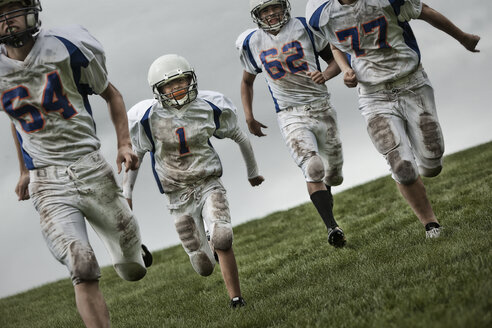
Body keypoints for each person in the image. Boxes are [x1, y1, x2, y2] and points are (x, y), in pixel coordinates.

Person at [0, 1, 152, 327]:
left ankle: (129, 249)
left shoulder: (66, 48)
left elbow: (111, 94)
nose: (7, 21)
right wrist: (25, 171)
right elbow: (19, 118)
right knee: (81, 266)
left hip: (90, 166)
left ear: (30, 9)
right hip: (47, 181)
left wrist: (124, 143)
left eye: (12, 10)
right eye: (0, 13)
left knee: (132, 268)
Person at [305, 0, 481, 238]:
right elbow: (336, 43)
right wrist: (346, 69)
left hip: (412, 82)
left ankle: (420, 165)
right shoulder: (320, 13)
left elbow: (424, 11)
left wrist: (463, 38)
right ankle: (431, 224)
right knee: (401, 165)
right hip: (373, 94)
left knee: (432, 164)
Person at [122, 54, 264, 308]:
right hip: (177, 195)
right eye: (170, 85)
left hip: (208, 181)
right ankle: (209, 251)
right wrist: (127, 194)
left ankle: (236, 298)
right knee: (203, 266)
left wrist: (253, 172)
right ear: (159, 90)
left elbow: (239, 136)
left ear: (191, 80)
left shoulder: (208, 106)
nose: (177, 89)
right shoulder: (146, 118)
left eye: (181, 82)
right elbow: (136, 158)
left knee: (222, 236)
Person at [237, 0, 346, 247]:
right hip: (289, 113)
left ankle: (329, 206)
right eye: (265, 10)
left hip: (321, 107)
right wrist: (249, 116)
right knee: (313, 166)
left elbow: (336, 61)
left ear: (284, 6)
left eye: (274, 7)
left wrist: (325, 75)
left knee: (334, 174)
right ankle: (332, 227)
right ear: (257, 14)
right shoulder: (252, 42)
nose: (271, 13)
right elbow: (246, 81)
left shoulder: (305, 27)